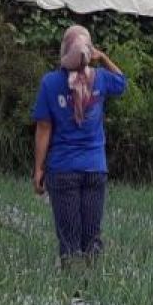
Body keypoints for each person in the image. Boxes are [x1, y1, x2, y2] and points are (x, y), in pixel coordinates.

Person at [32, 25, 126, 264]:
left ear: (64, 50)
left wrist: (39, 168)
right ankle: (92, 290)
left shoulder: (50, 83)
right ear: (88, 49)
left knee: (69, 240)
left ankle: (72, 290)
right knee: (92, 237)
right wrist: (103, 57)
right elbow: (122, 82)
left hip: (62, 169)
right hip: (95, 168)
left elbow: (44, 128)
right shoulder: (101, 79)